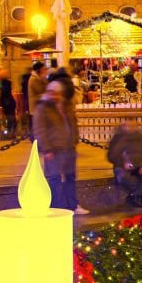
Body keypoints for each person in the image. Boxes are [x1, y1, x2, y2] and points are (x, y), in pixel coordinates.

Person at [32, 80, 87, 213]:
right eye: (53, 93)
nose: (55, 96)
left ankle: (72, 205)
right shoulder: (42, 108)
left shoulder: (66, 105)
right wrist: (47, 149)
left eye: (57, 93)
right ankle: (56, 207)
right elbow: (40, 130)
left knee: (70, 177)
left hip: (69, 147)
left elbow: (73, 123)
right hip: (54, 150)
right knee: (54, 178)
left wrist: (74, 140)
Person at [107, 121, 142, 208]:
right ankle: (139, 193)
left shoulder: (140, 138)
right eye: (129, 126)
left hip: (138, 167)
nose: (131, 128)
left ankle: (133, 195)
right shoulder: (117, 138)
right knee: (123, 177)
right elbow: (111, 156)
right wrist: (123, 163)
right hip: (122, 167)